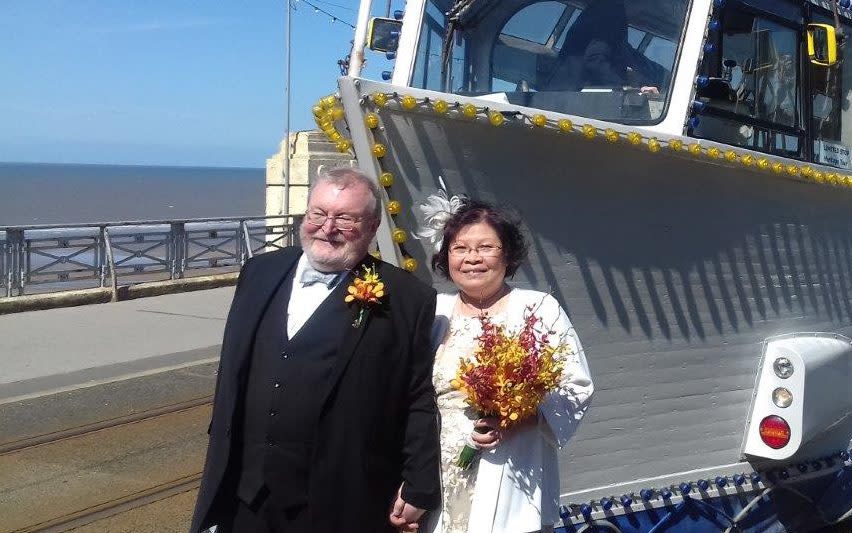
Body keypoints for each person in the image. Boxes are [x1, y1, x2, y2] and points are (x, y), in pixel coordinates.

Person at [190, 167, 441, 533]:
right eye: (318, 214)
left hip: (340, 498)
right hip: (245, 494)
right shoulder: (259, 272)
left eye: (345, 218)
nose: (327, 227)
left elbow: (417, 395)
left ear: (371, 228)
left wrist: (420, 483)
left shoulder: (407, 297)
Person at [418, 198, 595, 533]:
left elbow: (576, 386)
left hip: (512, 463)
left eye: (486, 247)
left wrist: (521, 416)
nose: (472, 258)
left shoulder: (537, 308)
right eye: (460, 248)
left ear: (507, 254)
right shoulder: (434, 312)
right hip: (442, 471)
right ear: (446, 256)